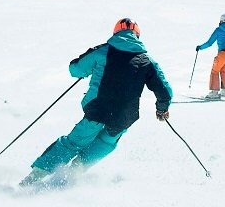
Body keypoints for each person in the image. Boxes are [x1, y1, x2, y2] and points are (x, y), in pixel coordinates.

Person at [22, 18, 173, 187]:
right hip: (124, 116)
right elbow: (165, 91)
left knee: (74, 142)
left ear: (115, 32)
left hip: (97, 109)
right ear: (137, 35)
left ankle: (37, 175)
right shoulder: (147, 61)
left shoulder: (103, 51)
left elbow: (75, 69)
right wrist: (162, 109)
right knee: (107, 142)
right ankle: (75, 172)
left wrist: (88, 68)